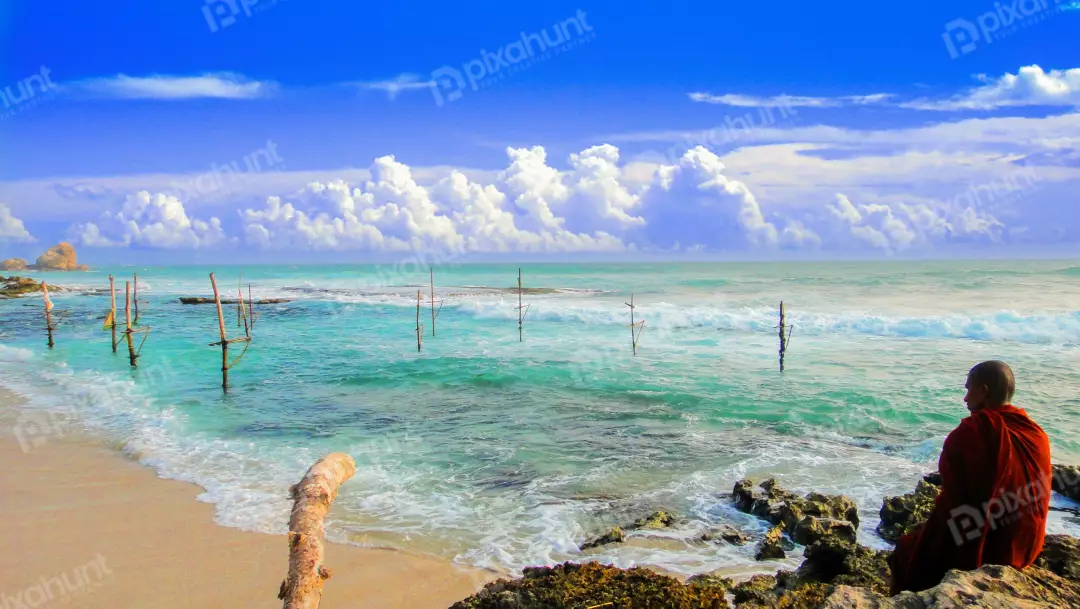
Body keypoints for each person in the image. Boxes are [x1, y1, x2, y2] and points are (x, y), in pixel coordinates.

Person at [888, 360, 1052, 594]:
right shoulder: (1035, 433)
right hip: (1027, 547)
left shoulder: (972, 431)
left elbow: (954, 501)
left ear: (983, 391)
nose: (965, 398)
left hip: (990, 551)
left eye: (968, 389)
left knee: (906, 552)